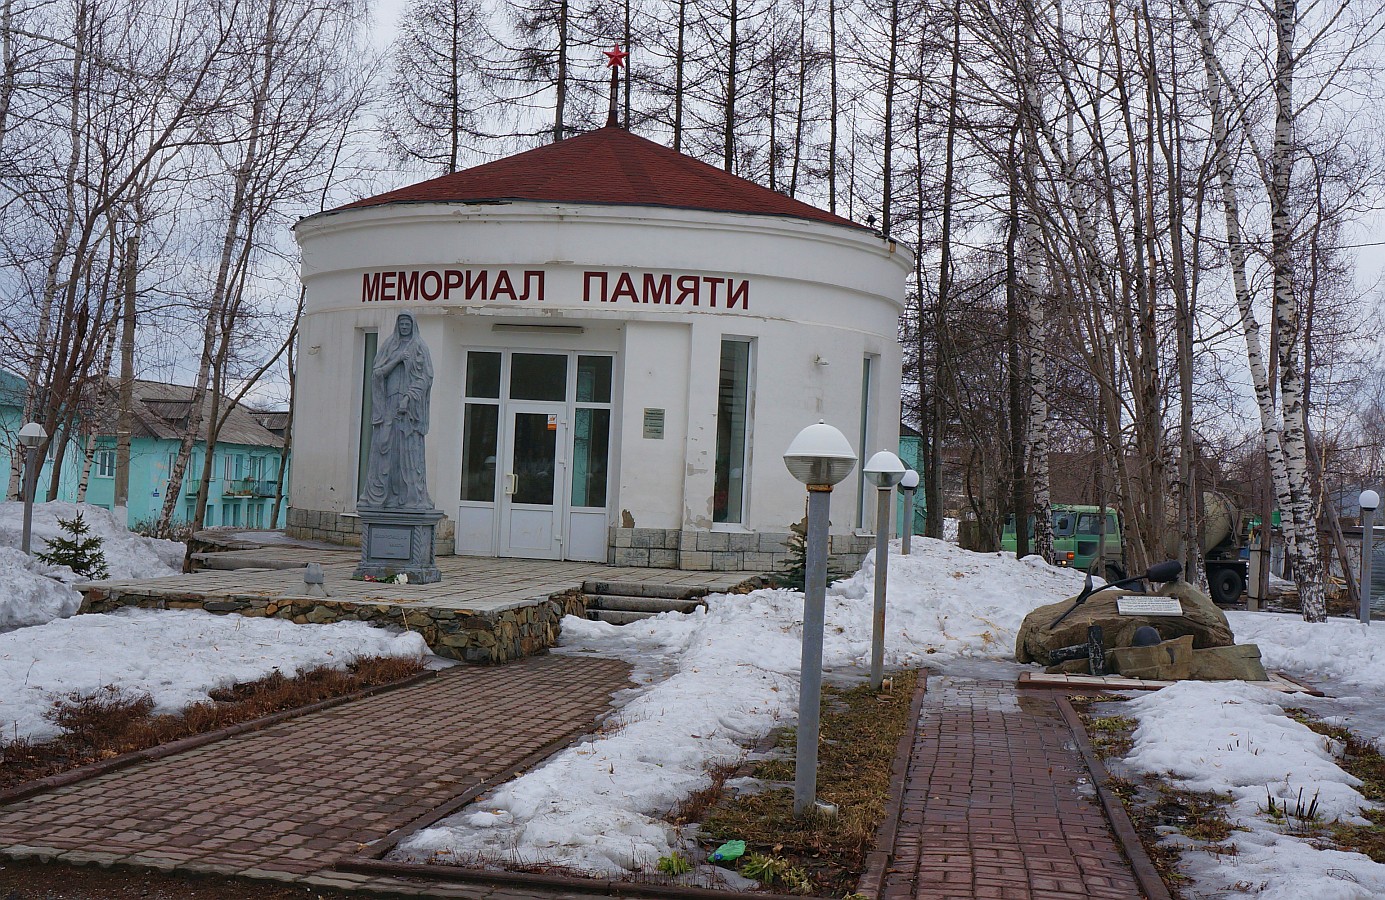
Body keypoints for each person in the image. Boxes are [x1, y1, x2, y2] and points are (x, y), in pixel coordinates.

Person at [360, 311, 434, 509]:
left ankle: (411, 498)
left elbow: (426, 378)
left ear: (413, 325)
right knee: (386, 450)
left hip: (410, 410)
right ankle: (385, 497)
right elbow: (377, 373)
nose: (404, 327)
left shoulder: (420, 347)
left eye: (407, 323)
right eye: (401, 323)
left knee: (408, 453)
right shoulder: (389, 346)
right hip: (389, 406)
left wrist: (409, 397)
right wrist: (398, 359)